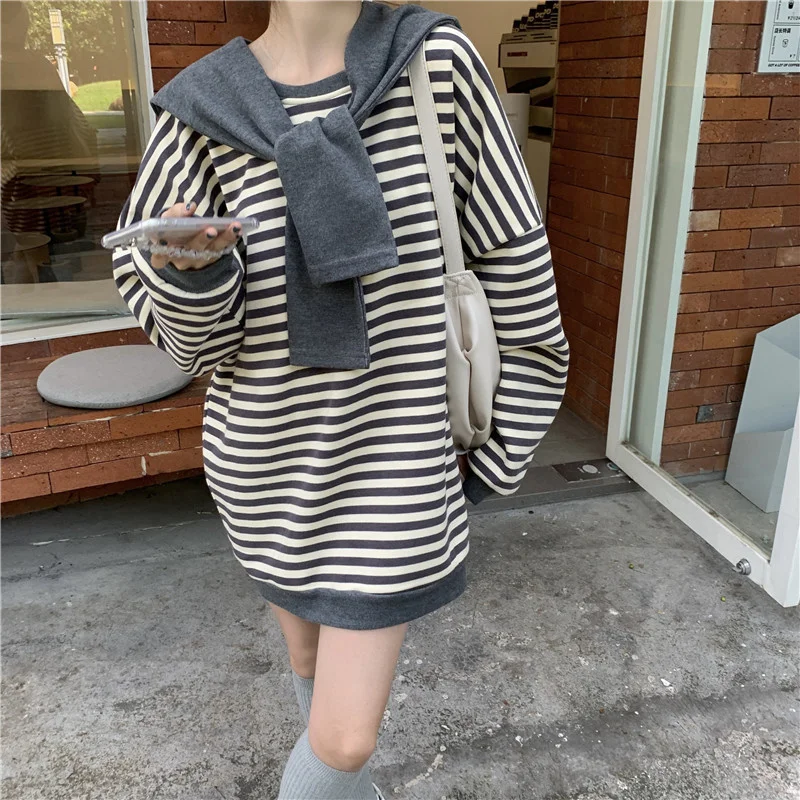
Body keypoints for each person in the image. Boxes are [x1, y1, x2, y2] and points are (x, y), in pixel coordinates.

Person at [112, 2, 568, 797]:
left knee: (345, 739)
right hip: (266, 470)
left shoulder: (434, 64)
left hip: (397, 467)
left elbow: (516, 267)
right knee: (308, 662)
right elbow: (193, 350)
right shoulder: (199, 109)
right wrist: (194, 277)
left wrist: (492, 458)